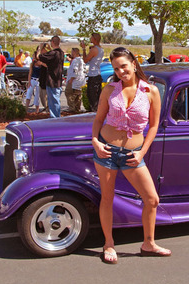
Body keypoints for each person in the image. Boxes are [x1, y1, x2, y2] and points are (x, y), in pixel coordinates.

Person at [92, 47, 172, 264]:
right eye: (116, 68)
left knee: (152, 199)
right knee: (107, 198)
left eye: (124, 66)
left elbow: (154, 126)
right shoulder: (109, 90)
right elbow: (98, 119)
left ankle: (149, 243)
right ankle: (108, 244)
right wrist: (95, 141)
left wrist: (141, 153)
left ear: (134, 64)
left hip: (133, 154)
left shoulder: (151, 91)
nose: (120, 72)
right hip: (106, 150)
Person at [38, 35, 64, 118]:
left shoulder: (53, 53)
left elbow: (40, 57)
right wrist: (50, 49)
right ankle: (56, 117)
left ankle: (55, 118)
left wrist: (40, 48)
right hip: (58, 80)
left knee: (53, 101)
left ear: (52, 42)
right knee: (55, 100)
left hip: (52, 81)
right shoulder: (61, 53)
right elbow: (52, 55)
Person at [81, 32, 104, 112]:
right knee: (97, 97)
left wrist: (84, 49)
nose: (90, 39)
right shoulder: (101, 49)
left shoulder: (94, 50)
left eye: (91, 38)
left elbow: (85, 60)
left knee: (92, 97)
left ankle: (94, 114)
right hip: (97, 74)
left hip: (93, 75)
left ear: (94, 39)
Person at [65, 47, 86, 113]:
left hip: (74, 81)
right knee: (78, 95)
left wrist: (71, 79)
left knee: (69, 93)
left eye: (72, 52)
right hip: (80, 81)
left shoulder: (76, 60)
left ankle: (72, 108)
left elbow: (75, 70)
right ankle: (77, 108)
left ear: (74, 52)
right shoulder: (81, 60)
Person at [25, 48, 41, 113]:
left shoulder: (40, 63)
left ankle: (37, 110)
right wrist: (29, 82)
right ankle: (26, 109)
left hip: (38, 80)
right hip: (32, 79)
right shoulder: (32, 63)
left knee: (37, 95)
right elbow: (30, 73)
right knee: (29, 93)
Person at [38, 42, 50, 112]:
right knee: (41, 95)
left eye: (43, 49)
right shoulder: (42, 57)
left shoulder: (48, 57)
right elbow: (37, 57)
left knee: (45, 95)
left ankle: (47, 108)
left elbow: (48, 65)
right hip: (42, 77)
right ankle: (45, 107)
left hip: (46, 78)